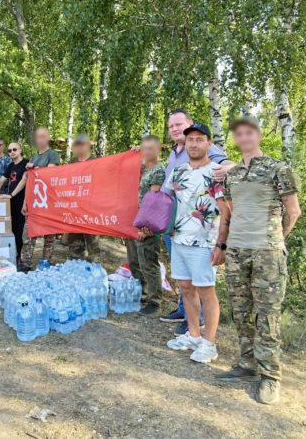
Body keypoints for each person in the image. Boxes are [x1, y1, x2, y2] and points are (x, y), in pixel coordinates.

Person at [217, 116, 301, 404]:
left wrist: (276, 239)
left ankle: (270, 376)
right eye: (239, 133)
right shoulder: (233, 174)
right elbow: (228, 212)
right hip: (237, 252)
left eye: (249, 132)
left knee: (267, 316)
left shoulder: (279, 168)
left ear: (259, 135)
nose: (244, 137)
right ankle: (247, 364)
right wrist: (225, 245)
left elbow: (293, 212)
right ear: (235, 138)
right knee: (240, 312)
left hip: (267, 252)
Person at [159, 109, 235, 335]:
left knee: (204, 289)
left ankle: (206, 337)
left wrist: (221, 244)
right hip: (177, 232)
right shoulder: (175, 157)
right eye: (171, 126)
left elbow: (226, 206)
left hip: (203, 239)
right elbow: (166, 194)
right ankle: (189, 326)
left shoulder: (210, 161)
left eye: (179, 124)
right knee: (185, 284)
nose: (174, 129)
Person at [125, 135, 166, 315]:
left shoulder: (158, 170)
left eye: (151, 148)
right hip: (133, 221)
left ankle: (154, 300)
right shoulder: (143, 167)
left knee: (148, 263)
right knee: (135, 260)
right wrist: (132, 154)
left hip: (147, 225)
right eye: (144, 148)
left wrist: (145, 228)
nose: (147, 151)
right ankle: (141, 293)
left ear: (158, 150)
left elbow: (153, 201)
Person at [18, 127, 60, 272]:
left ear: (48, 138)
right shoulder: (33, 157)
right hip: (34, 202)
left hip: (49, 202)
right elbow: (30, 182)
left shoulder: (53, 155)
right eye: (38, 137)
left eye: (43, 136)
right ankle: (25, 263)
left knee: (49, 235)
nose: (40, 139)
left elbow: (49, 174)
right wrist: (25, 202)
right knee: (29, 234)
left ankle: (45, 263)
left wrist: (34, 167)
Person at [63, 133, 101, 262]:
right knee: (74, 241)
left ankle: (94, 267)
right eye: (77, 145)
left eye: (82, 144)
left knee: (92, 240)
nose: (79, 148)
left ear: (88, 146)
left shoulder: (96, 161)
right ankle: (76, 264)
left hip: (90, 208)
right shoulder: (72, 162)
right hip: (74, 207)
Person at [0, 142, 28, 261]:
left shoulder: (26, 164)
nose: (12, 152)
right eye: (9, 150)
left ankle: (21, 257)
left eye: (14, 149)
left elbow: (23, 182)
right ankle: (15, 254)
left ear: (20, 150)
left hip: (22, 201)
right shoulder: (11, 165)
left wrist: (11, 195)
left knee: (21, 230)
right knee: (12, 229)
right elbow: (2, 179)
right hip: (10, 202)